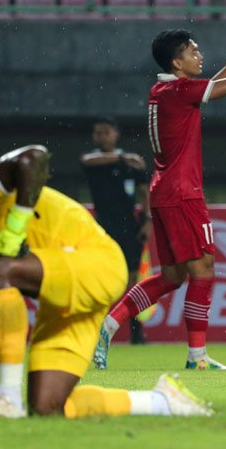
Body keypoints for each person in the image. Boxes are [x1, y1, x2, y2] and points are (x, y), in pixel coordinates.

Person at [0, 146, 212, 418]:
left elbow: (34, 157)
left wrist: (15, 227)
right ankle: (162, 401)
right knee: (47, 407)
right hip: (65, 297)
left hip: (97, 261)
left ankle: (8, 397)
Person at [94, 10, 226, 371]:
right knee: (203, 270)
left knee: (173, 275)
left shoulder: (165, 90)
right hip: (184, 193)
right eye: (193, 51)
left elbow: (215, 84)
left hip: (164, 191)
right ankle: (197, 357)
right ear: (177, 62)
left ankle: (109, 324)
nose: (200, 55)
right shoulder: (180, 91)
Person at [80, 116, 152, 345]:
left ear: (115, 134)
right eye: (97, 133)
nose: (101, 137)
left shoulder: (130, 165)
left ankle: (136, 332)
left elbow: (145, 192)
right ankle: (92, 331)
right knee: (97, 279)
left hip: (129, 226)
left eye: (105, 132)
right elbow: (87, 161)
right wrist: (122, 157)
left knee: (132, 281)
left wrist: (148, 220)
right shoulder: (95, 161)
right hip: (101, 227)